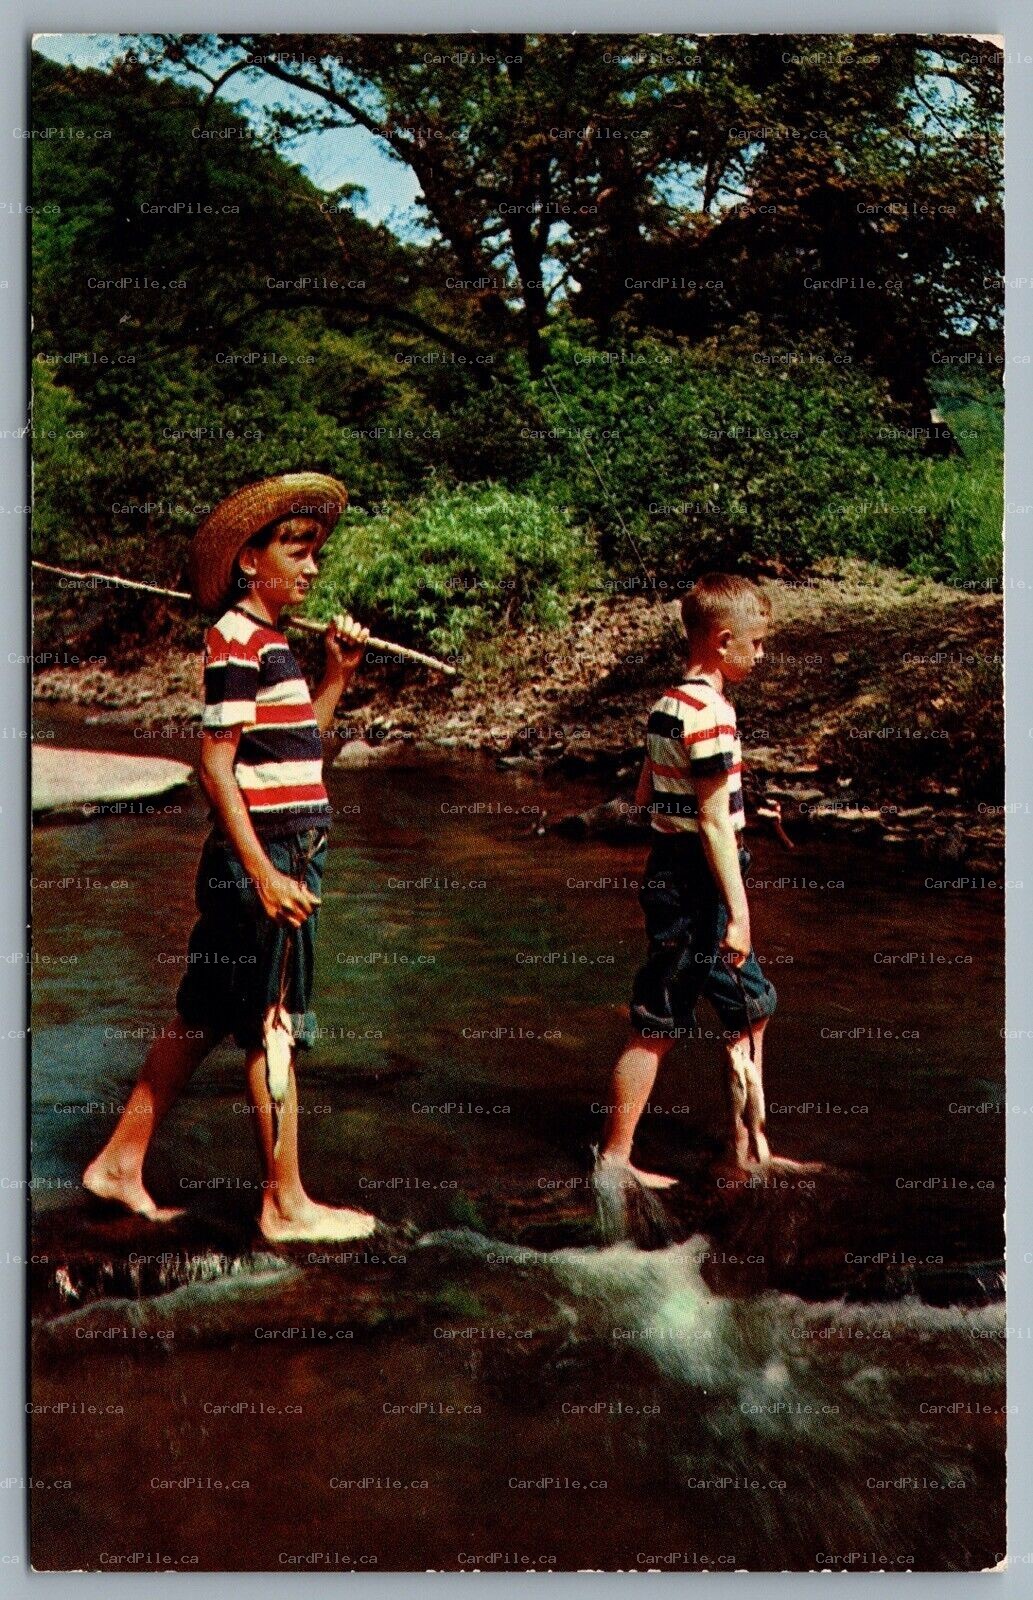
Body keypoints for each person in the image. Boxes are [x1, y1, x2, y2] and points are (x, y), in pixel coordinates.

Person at [83, 472, 378, 1242]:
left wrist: (335, 679)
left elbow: (292, 749)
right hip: (269, 855)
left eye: (315, 554)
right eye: (297, 552)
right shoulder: (236, 640)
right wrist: (267, 875)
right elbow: (214, 766)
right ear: (250, 560)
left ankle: (119, 1162)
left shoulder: (268, 642)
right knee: (273, 1023)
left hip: (276, 848)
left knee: (203, 1012)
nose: (312, 569)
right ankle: (285, 1204)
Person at [598, 572, 806, 1188]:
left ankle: (744, 1148)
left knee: (736, 1008)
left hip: (668, 868)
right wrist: (739, 914)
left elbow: (645, 793)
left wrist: (745, 803)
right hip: (701, 882)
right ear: (722, 642)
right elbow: (714, 823)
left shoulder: (668, 704)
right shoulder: (711, 712)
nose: (761, 654)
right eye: (757, 643)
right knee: (667, 1020)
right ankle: (620, 1159)